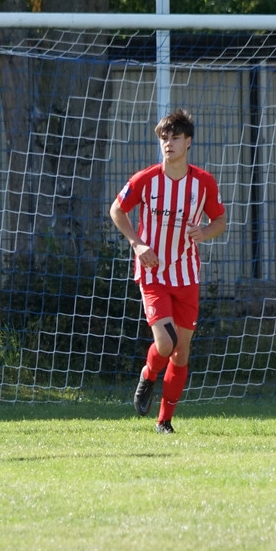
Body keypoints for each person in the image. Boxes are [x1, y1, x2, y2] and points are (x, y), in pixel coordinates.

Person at [110, 109, 227, 434]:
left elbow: (220, 220)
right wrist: (137, 244)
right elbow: (117, 209)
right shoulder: (146, 179)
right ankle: (148, 375)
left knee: (181, 351)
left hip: (186, 275)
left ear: (188, 142)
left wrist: (205, 231)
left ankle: (164, 421)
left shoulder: (203, 182)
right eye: (164, 138)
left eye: (175, 137)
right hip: (153, 272)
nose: (168, 143)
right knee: (165, 343)